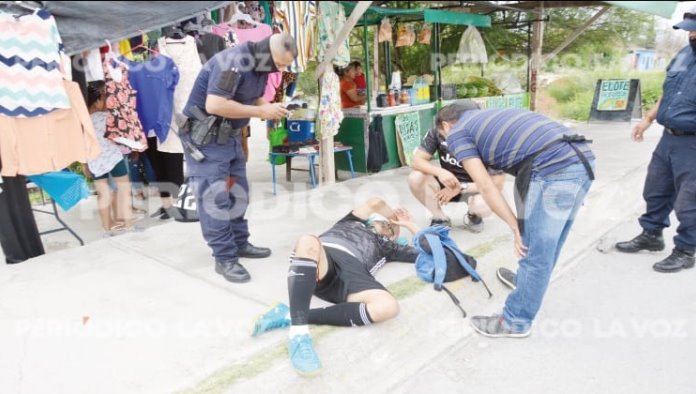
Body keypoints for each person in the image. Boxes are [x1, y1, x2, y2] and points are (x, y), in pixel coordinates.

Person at [436, 100, 595, 338]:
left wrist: (514, 227)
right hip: (582, 159)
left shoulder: (458, 133)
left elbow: (487, 187)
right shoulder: (490, 117)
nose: (447, 142)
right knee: (548, 244)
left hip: (553, 168)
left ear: (446, 125)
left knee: (533, 249)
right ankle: (525, 284)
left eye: (442, 134)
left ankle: (516, 320)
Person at [249, 198, 422, 376]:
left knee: (388, 307)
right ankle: (299, 336)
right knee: (307, 240)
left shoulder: (389, 247)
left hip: (353, 274)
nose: (389, 227)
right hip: (322, 262)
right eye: (387, 223)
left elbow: (435, 251)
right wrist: (393, 217)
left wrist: (409, 225)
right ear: (373, 219)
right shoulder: (351, 221)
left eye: (392, 229)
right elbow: (375, 203)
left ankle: (287, 315)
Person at [182, 33, 297, 283]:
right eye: (279, 64)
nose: (281, 69)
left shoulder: (260, 63)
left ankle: (239, 243)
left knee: (238, 193)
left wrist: (268, 107)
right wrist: (259, 111)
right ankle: (224, 258)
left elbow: (247, 96)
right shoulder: (232, 61)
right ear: (267, 52)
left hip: (230, 136)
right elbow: (214, 104)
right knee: (216, 199)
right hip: (206, 138)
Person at [614, 12, 696, 273]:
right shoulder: (685, 53)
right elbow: (668, 90)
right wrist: (648, 118)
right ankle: (651, 235)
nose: (691, 35)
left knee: (689, 200)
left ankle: (686, 249)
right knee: (656, 188)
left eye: (694, 30)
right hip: (668, 138)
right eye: (689, 30)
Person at [409, 123, 506, 232]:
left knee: (482, 205)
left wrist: (461, 187)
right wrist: (440, 172)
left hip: (474, 187)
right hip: (447, 184)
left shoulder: (488, 139)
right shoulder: (437, 131)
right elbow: (416, 161)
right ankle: (440, 218)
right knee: (415, 177)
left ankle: (473, 214)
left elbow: (497, 184)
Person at [82, 81, 138, 235]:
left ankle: (107, 227)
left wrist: (83, 164)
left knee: (103, 194)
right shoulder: (109, 116)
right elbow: (120, 136)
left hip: (95, 161)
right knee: (124, 190)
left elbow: (80, 144)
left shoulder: (82, 121)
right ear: (99, 100)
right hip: (114, 158)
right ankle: (129, 224)